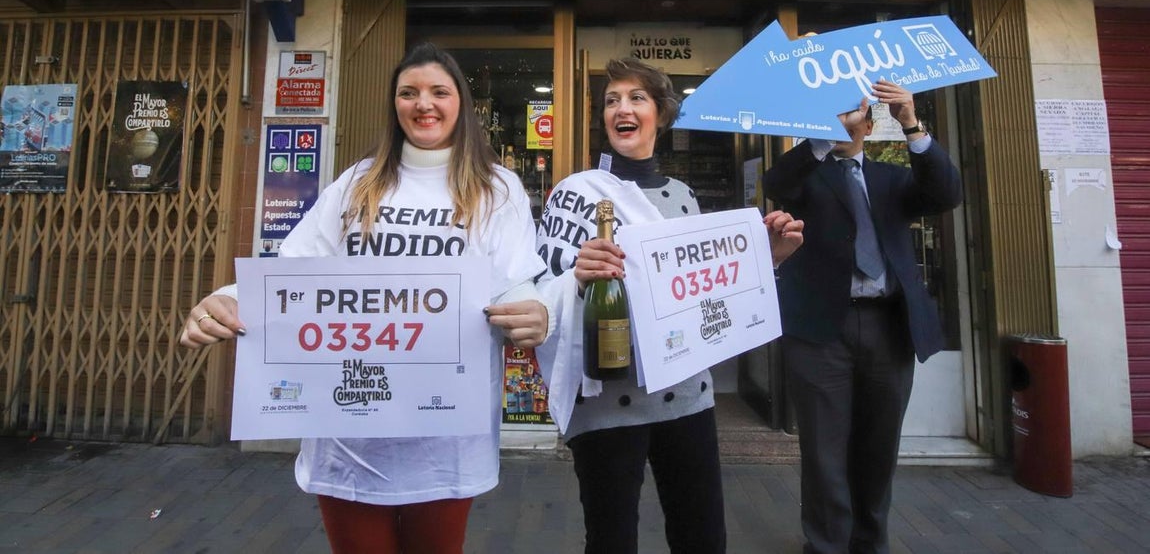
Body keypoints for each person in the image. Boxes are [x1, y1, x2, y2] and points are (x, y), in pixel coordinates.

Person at [179, 43, 554, 554]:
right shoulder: (358, 182)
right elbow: (295, 271)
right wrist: (228, 298)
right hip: (349, 433)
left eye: (439, 92)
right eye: (409, 93)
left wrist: (535, 310)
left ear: (460, 103)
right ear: (394, 105)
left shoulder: (497, 187)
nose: (424, 104)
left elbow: (515, 281)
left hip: (445, 437)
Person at [534, 57, 804, 554]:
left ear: (660, 115)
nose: (623, 108)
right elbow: (542, 291)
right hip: (605, 405)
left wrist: (768, 260)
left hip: (686, 396)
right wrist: (578, 273)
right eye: (612, 100)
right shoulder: (574, 194)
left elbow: (706, 298)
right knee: (612, 540)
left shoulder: (683, 196)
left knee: (701, 535)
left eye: (637, 98)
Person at [763, 78, 963, 554]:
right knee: (824, 452)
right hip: (819, 331)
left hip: (887, 328)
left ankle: (870, 543)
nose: (848, 116)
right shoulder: (808, 173)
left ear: (871, 125)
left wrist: (912, 123)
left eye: (854, 112)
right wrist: (824, 132)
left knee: (878, 450)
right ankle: (826, 545)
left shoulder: (895, 178)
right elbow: (776, 184)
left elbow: (946, 193)